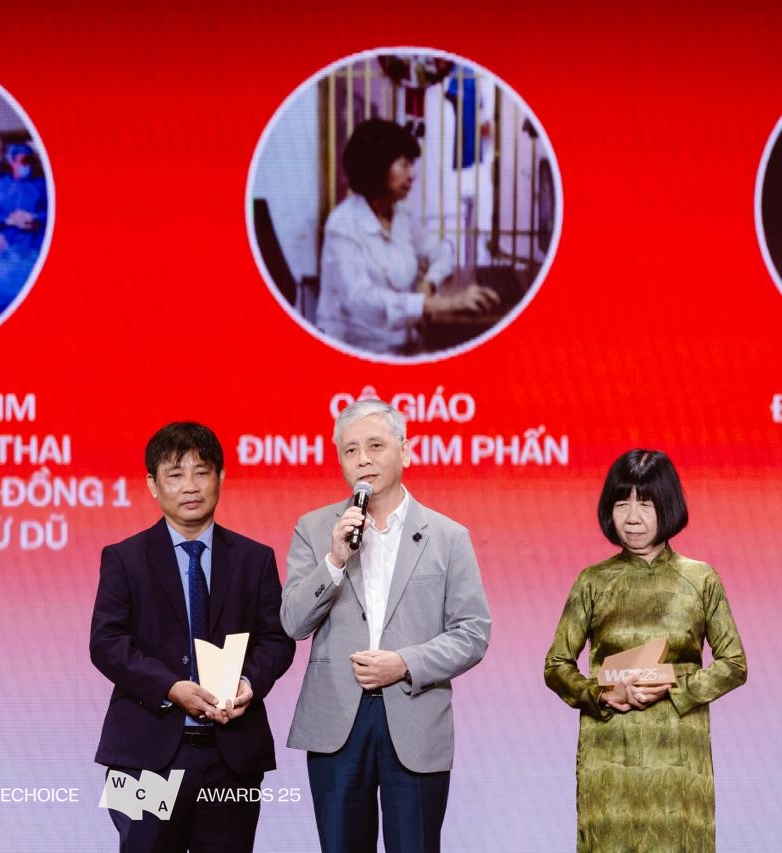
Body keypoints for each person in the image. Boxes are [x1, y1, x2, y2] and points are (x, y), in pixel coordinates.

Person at [281, 399, 490, 853]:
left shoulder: (447, 536)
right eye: (350, 450)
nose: (363, 459)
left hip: (415, 716)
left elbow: (473, 632)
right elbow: (293, 622)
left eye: (375, 446)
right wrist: (334, 560)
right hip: (337, 722)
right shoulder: (315, 528)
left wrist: (404, 663)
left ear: (405, 451)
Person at [91, 422, 295, 852]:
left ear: (221, 478)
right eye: (175, 474)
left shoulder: (254, 559)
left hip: (231, 759)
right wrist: (170, 687)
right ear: (152, 484)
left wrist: (249, 683)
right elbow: (107, 643)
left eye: (202, 472)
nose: (190, 486)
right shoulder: (124, 558)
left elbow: (277, 640)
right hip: (143, 758)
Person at [544, 449, 746, 852]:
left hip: (678, 754)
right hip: (609, 756)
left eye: (646, 504)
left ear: (668, 506)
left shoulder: (700, 579)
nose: (632, 518)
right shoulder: (593, 581)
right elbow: (556, 665)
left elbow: (734, 663)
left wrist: (675, 687)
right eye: (622, 504)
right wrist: (601, 694)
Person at [316, 119, 499, 356]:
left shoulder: (401, 213)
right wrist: (444, 303)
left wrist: (428, 283)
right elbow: (361, 299)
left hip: (405, 342)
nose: (412, 174)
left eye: (412, 164)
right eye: (404, 164)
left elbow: (440, 254)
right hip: (359, 351)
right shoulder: (343, 224)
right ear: (377, 166)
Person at [0, 142, 48, 319]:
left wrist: (35, 217)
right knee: (1, 288)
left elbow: (53, 210)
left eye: (29, 161)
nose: (26, 166)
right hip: (6, 244)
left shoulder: (41, 185)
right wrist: (8, 220)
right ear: (11, 162)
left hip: (33, 244)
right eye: (22, 162)